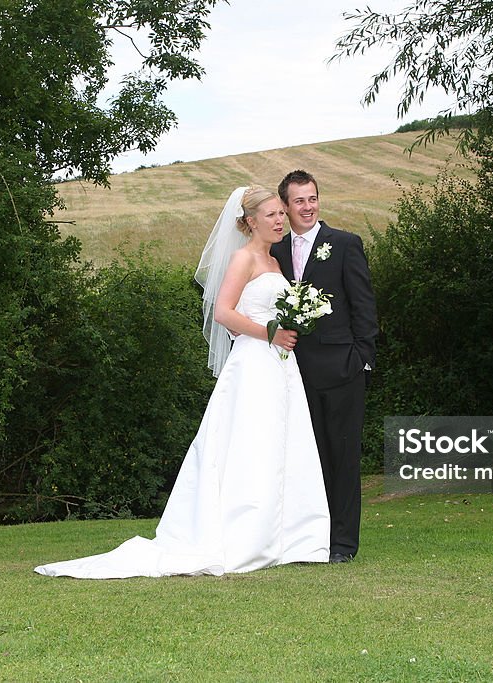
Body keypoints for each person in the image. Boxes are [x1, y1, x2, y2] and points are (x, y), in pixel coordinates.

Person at [34, 187, 330, 578]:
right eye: (272, 214)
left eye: (281, 213)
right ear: (250, 221)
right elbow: (223, 313)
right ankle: (245, 538)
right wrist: (269, 334)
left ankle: (286, 538)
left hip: (280, 365)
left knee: (281, 441)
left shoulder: (274, 262)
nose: (280, 220)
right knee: (250, 443)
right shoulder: (243, 259)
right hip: (255, 363)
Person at [270, 170, 378, 563]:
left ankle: (344, 546)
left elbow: (364, 306)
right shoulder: (276, 252)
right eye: (299, 201)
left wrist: (362, 360)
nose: (308, 206)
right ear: (285, 206)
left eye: (312, 198)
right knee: (305, 459)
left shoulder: (345, 244)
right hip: (293, 373)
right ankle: (311, 540)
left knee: (343, 458)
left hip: (342, 370)